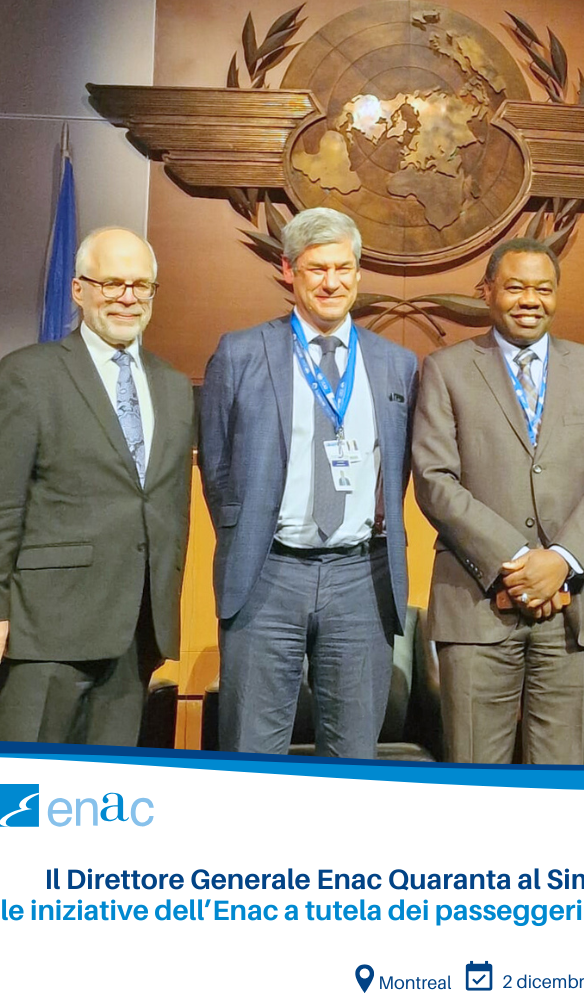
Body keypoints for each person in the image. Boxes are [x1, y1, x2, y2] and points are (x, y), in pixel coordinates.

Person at [199, 208, 418, 757]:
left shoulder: (398, 365)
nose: (331, 282)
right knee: (253, 751)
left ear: (359, 273)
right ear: (288, 270)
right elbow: (217, 467)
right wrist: (248, 537)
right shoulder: (240, 353)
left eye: (343, 268)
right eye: (317, 269)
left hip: (360, 578)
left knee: (353, 757)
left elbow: (397, 472)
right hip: (267, 573)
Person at [412, 237, 584, 764]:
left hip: (573, 605)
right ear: (486, 291)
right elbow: (435, 480)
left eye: (543, 289)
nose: (530, 300)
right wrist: (517, 562)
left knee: (565, 781)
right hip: (477, 603)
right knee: (476, 776)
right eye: (515, 287)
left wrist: (560, 561)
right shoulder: (445, 369)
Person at [0, 227, 193, 744]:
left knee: (105, 787)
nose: (127, 297)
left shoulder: (174, 386)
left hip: (135, 632)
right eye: (112, 283)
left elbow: (168, 505)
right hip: (45, 629)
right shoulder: (28, 375)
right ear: (78, 290)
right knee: (30, 785)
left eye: (140, 285)